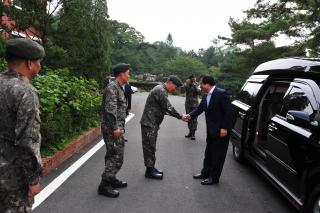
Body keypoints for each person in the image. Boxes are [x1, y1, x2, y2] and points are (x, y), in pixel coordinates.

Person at [0, 38, 45, 212]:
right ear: (29, 63)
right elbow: (28, 140)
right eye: (38, 62)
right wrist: (32, 180)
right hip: (13, 179)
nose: (40, 66)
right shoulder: (26, 92)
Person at [186, 75, 232, 185]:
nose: (200, 86)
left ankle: (214, 178)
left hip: (221, 131)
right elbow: (199, 109)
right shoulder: (206, 95)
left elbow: (228, 112)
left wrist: (224, 128)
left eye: (201, 84)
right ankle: (205, 173)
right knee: (209, 153)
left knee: (218, 155)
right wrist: (189, 116)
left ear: (207, 84)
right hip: (211, 130)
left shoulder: (221, 94)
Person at [140, 75, 187, 179]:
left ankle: (151, 167)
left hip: (152, 123)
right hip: (149, 123)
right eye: (175, 86)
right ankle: (149, 171)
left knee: (151, 146)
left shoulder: (161, 89)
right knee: (149, 147)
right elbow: (167, 107)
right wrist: (180, 116)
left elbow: (163, 108)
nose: (175, 89)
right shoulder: (160, 90)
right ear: (169, 82)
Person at [98, 63, 130, 198]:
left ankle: (111, 178)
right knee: (116, 156)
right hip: (112, 129)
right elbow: (110, 110)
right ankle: (104, 185)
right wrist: (115, 128)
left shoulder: (119, 87)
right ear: (121, 73)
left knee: (113, 155)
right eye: (128, 72)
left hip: (117, 127)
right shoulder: (112, 87)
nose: (129, 75)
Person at [181, 74, 201, 140]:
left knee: (194, 119)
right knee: (188, 118)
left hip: (195, 105)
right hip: (188, 104)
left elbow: (199, 92)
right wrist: (185, 84)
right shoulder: (186, 84)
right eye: (192, 79)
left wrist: (194, 86)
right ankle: (190, 132)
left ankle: (193, 134)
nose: (193, 80)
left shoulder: (197, 84)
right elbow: (182, 91)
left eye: (194, 79)